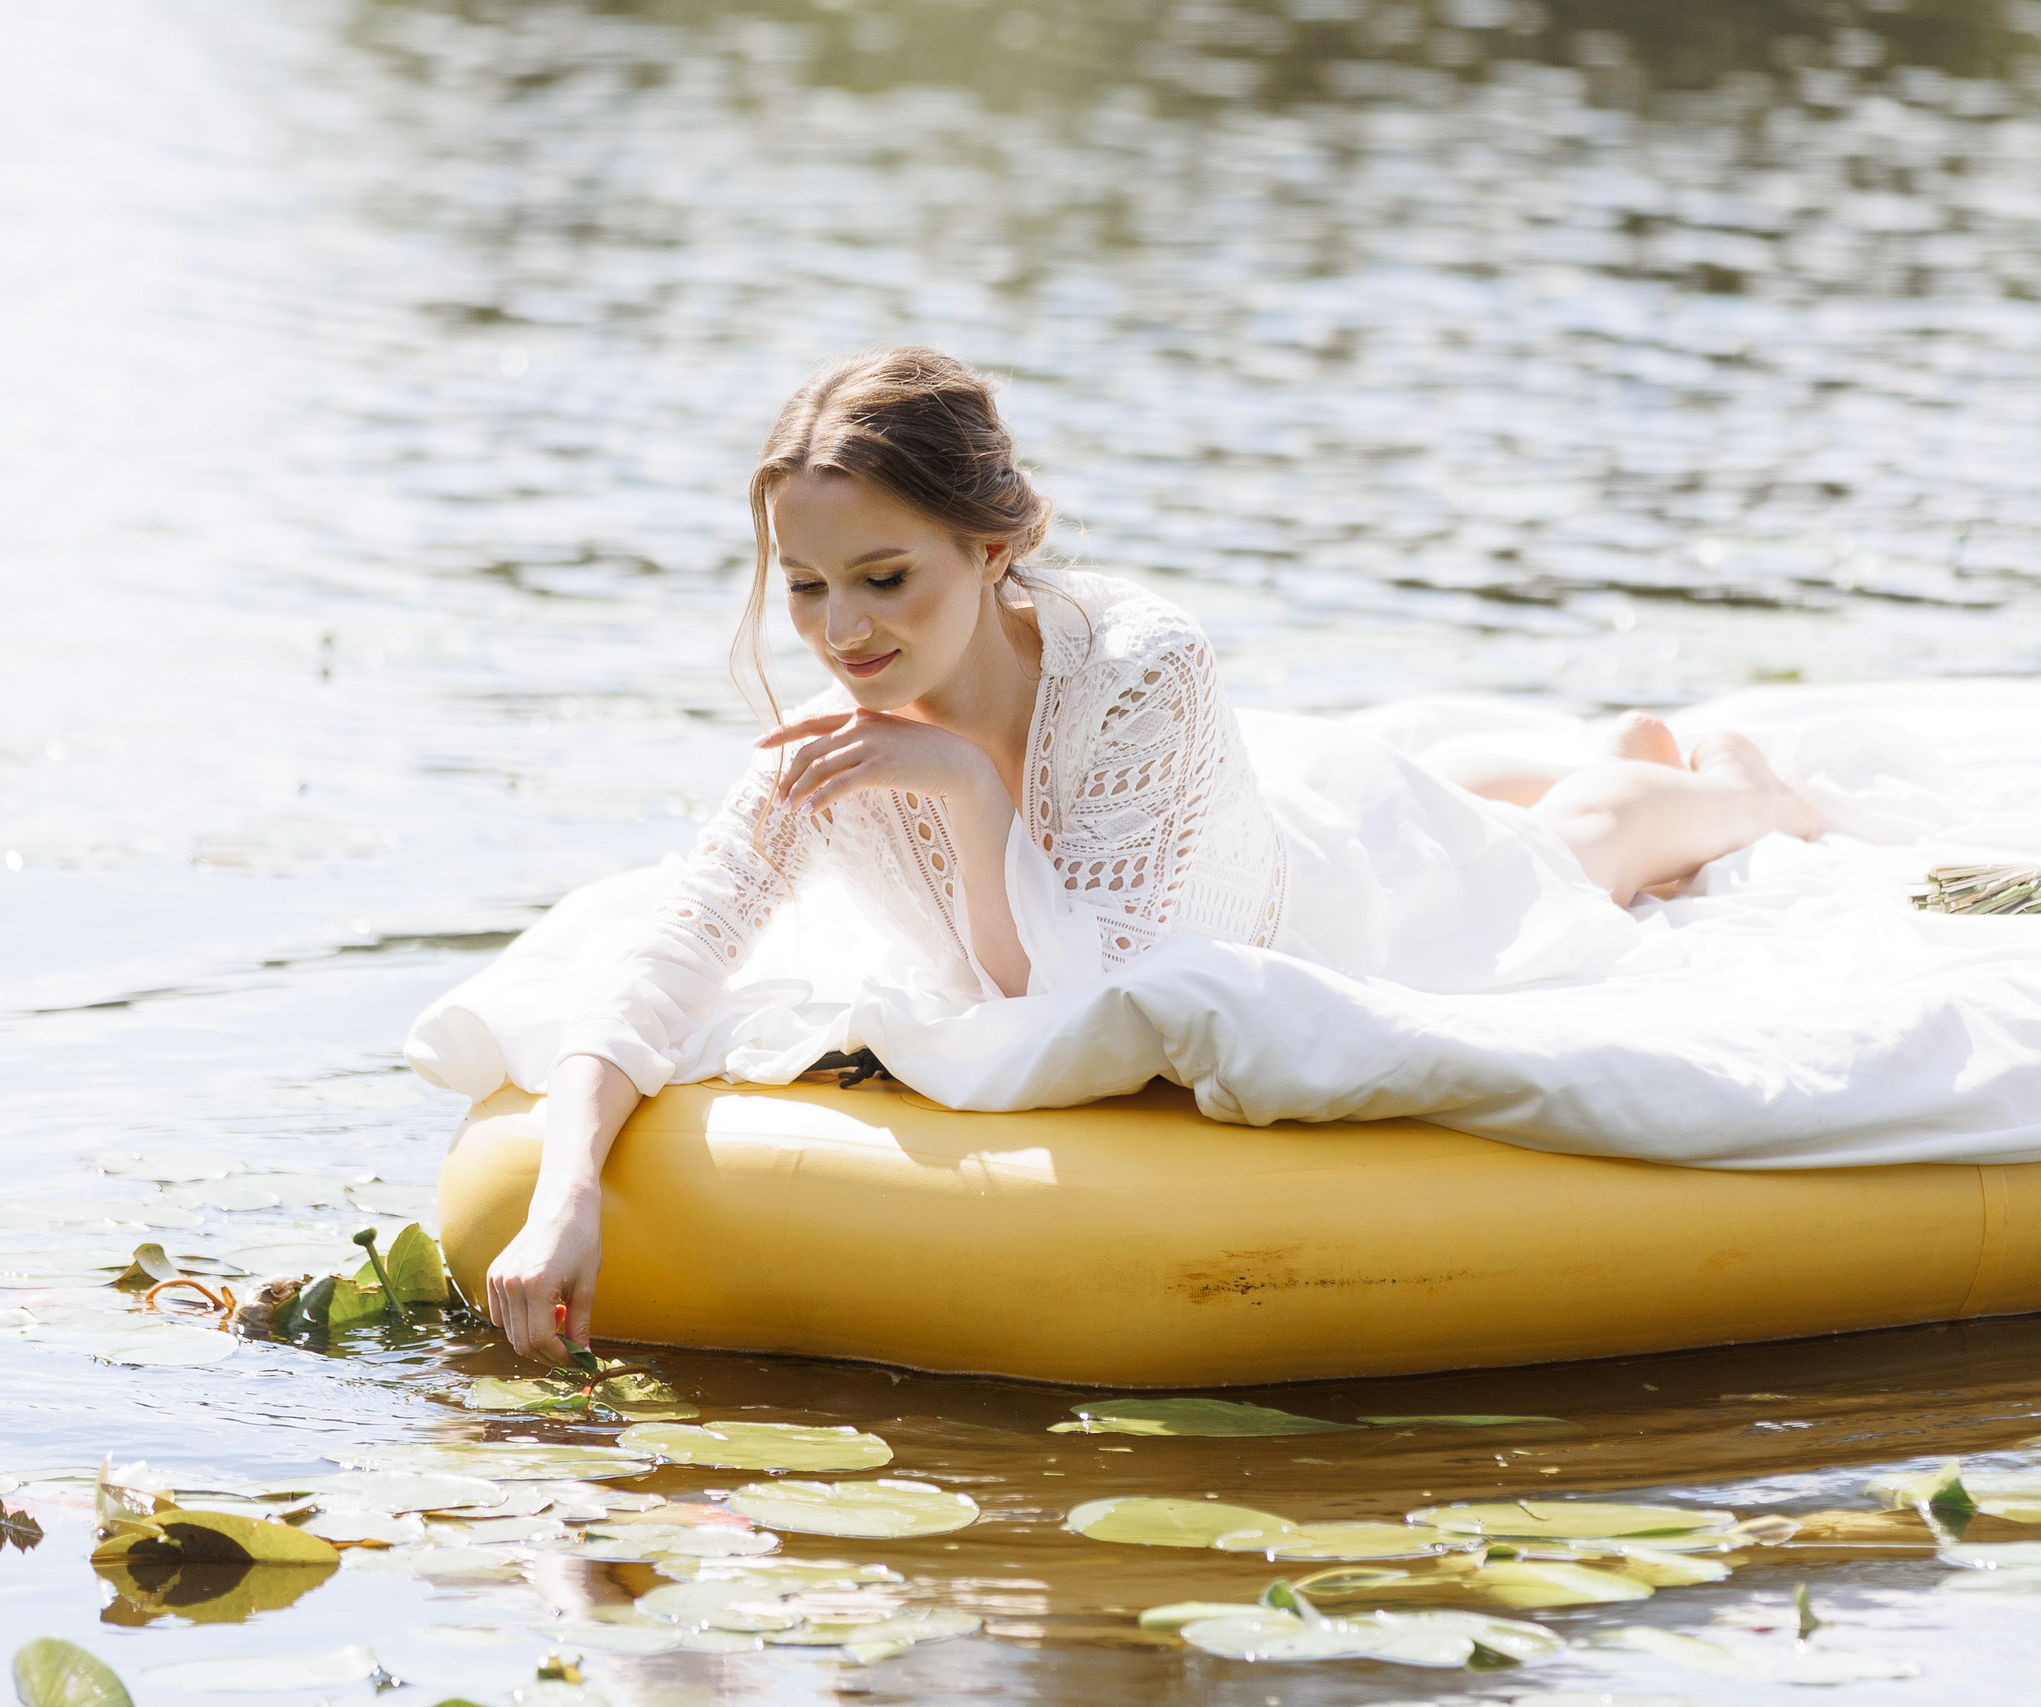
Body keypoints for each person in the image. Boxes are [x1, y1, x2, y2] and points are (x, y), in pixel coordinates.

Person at [480, 347, 1816, 1360]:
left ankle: (1726, 790)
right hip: (1243, 812)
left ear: (990, 546)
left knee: (1572, 852)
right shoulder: (835, 736)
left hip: (1336, 911)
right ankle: (1578, 756)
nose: (843, 634)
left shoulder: (1140, 667)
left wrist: (964, 792)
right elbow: (672, 949)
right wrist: (565, 1194)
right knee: (1453, 794)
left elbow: (1087, 1006)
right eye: (808, 586)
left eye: (888, 580)